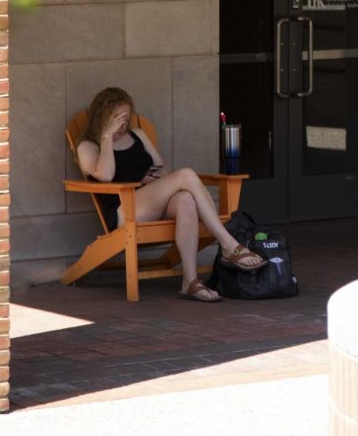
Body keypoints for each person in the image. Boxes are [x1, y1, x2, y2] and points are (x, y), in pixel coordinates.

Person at [76, 87, 266, 303]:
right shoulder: (88, 146)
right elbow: (107, 175)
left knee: (185, 200)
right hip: (124, 210)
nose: (123, 124)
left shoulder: (138, 135)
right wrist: (107, 136)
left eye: (126, 118)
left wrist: (155, 179)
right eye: (117, 118)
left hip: (153, 203)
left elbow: (163, 172)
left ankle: (190, 282)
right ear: (103, 117)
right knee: (186, 175)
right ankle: (228, 243)